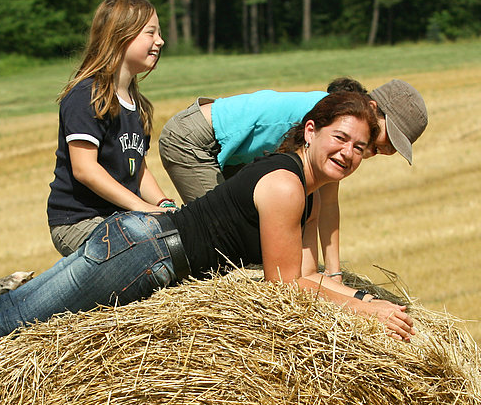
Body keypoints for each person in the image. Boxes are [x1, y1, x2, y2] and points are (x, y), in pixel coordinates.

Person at [0, 91, 415, 405]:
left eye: (360, 148)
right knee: (14, 323)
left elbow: (314, 277)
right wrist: (370, 312)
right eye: (340, 138)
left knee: (10, 311)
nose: (348, 153)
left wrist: (355, 295)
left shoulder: (301, 189)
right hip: (141, 253)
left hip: (139, 245)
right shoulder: (287, 185)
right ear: (311, 130)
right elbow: (286, 285)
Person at [158, 78, 428, 279]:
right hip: (196, 139)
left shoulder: (340, 134)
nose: (387, 150)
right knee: (223, 247)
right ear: (371, 108)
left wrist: (334, 275)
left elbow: (326, 205)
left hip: (232, 154)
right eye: (389, 138)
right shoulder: (330, 118)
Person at [47, 0, 177, 258]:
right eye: (150, 33)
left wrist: (164, 205)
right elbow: (85, 170)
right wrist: (143, 209)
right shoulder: (86, 95)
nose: (160, 41)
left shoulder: (136, 103)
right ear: (120, 36)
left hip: (121, 218)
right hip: (79, 222)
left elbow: (137, 168)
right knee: (149, 248)